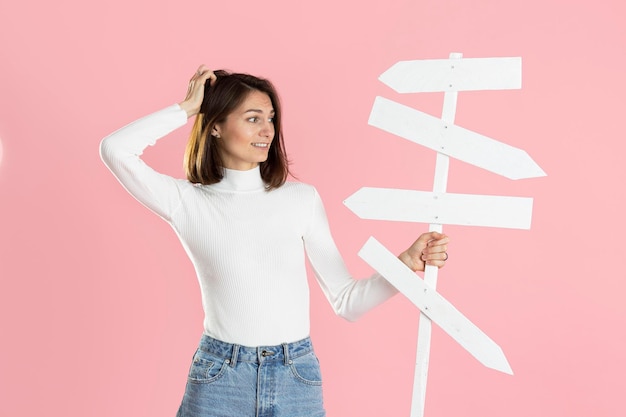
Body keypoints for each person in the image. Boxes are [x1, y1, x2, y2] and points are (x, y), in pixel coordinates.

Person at [100, 65, 449, 417]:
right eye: (253, 119)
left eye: (270, 118)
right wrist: (189, 107)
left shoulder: (301, 199)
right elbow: (116, 150)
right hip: (221, 377)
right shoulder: (186, 202)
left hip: (295, 376)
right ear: (215, 125)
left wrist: (404, 266)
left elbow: (347, 302)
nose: (267, 130)